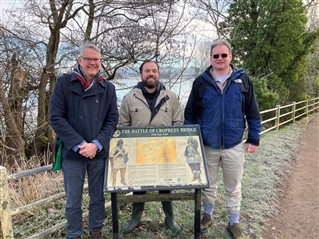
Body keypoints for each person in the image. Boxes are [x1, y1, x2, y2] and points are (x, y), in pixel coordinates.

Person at [184, 39, 261, 239]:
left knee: (233, 185)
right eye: (216, 55)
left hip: (233, 144)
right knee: (208, 183)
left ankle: (234, 221)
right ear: (210, 58)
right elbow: (190, 114)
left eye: (223, 55)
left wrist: (253, 138)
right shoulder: (201, 82)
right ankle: (207, 216)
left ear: (230, 57)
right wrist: (191, 141)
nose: (220, 58)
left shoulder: (243, 80)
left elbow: (252, 112)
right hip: (207, 144)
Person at [49, 42, 119, 239]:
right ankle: (74, 234)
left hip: (98, 153)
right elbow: (56, 117)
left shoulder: (108, 88)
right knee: (73, 200)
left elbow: (112, 120)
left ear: (101, 62)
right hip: (73, 153)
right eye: (88, 59)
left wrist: (96, 144)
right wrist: (81, 145)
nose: (92, 63)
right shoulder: (64, 83)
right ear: (79, 60)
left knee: (97, 197)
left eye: (96, 59)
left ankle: (96, 231)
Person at [118, 60, 183, 234]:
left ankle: (170, 218)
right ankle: (135, 218)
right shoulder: (130, 97)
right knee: (138, 187)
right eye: (147, 71)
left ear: (158, 73)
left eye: (154, 71)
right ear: (141, 74)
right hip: (139, 152)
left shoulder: (171, 97)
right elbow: (122, 126)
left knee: (166, 185)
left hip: (165, 152)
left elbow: (178, 123)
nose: (151, 74)